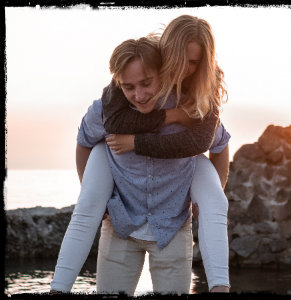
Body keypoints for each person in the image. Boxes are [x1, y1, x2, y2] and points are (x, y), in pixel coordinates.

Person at [51, 15, 230, 294]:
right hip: (122, 222)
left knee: (213, 196)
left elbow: (216, 143)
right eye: (130, 86)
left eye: (193, 62)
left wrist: (204, 199)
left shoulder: (196, 104)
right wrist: (99, 197)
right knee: (96, 170)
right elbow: (86, 140)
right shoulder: (112, 103)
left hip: (170, 225)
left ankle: (221, 287)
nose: (139, 93)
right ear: (164, 55)